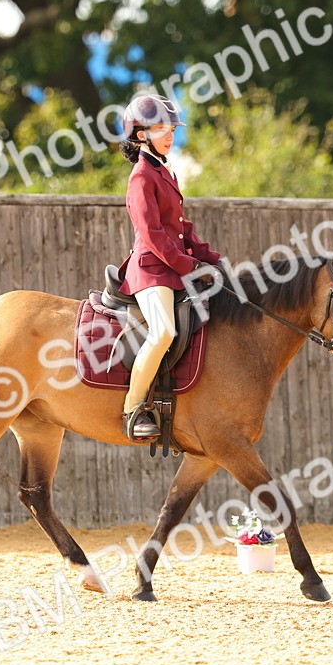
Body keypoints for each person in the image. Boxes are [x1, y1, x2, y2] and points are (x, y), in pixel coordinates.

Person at [115, 94, 222, 441]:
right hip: (151, 270)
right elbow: (154, 235)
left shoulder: (165, 171)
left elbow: (181, 227)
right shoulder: (141, 177)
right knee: (163, 333)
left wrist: (212, 258)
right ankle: (133, 409)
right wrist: (189, 265)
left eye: (172, 129)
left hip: (172, 267)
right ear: (141, 135)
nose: (170, 136)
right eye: (162, 129)